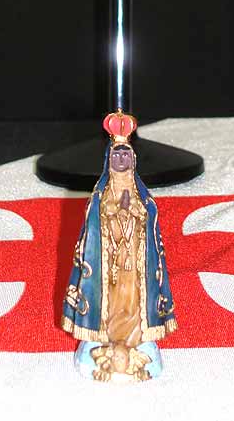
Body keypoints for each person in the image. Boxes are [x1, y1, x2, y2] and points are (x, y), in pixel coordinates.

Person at [61, 110, 176, 382]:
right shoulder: (99, 197)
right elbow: (93, 227)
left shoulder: (143, 197)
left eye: (126, 155)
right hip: (108, 264)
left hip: (134, 264)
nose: (121, 160)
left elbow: (149, 221)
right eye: (116, 156)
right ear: (108, 160)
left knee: (134, 301)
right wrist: (112, 212)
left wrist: (133, 212)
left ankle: (136, 338)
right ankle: (104, 336)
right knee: (110, 302)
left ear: (133, 160)